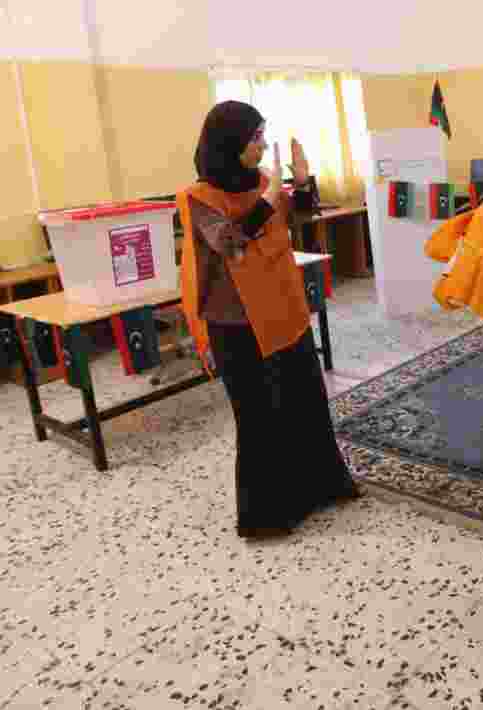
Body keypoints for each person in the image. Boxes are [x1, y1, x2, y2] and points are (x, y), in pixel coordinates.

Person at [177, 101, 361, 540]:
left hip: (283, 310)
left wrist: (299, 182)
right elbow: (233, 243)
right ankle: (269, 515)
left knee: (304, 403)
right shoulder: (199, 198)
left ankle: (321, 489)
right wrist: (269, 194)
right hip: (237, 324)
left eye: (263, 136)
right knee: (261, 417)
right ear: (231, 143)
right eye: (255, 138)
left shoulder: (261, 183)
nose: (262, 145)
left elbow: (292, 218)